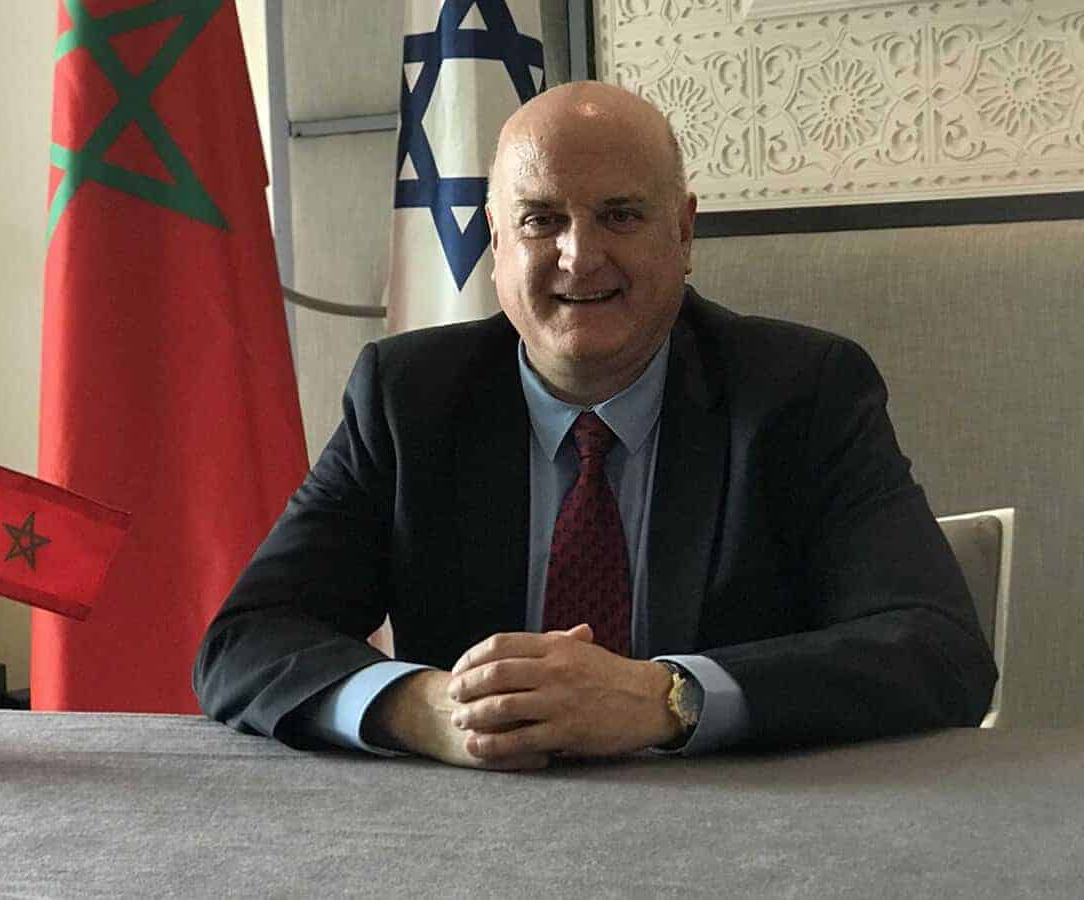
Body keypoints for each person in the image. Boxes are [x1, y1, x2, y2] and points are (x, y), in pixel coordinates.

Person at [193, 81, 997, 769]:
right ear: (495, 240)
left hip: (745, 829)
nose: (580, 256)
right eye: (541, 220)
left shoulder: (802, 394)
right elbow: (246, 641)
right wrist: (428, 709)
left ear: (683, 231)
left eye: (620, 215)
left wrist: (666, 698)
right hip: (472, 837)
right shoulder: (408, 399)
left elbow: (938, 650)